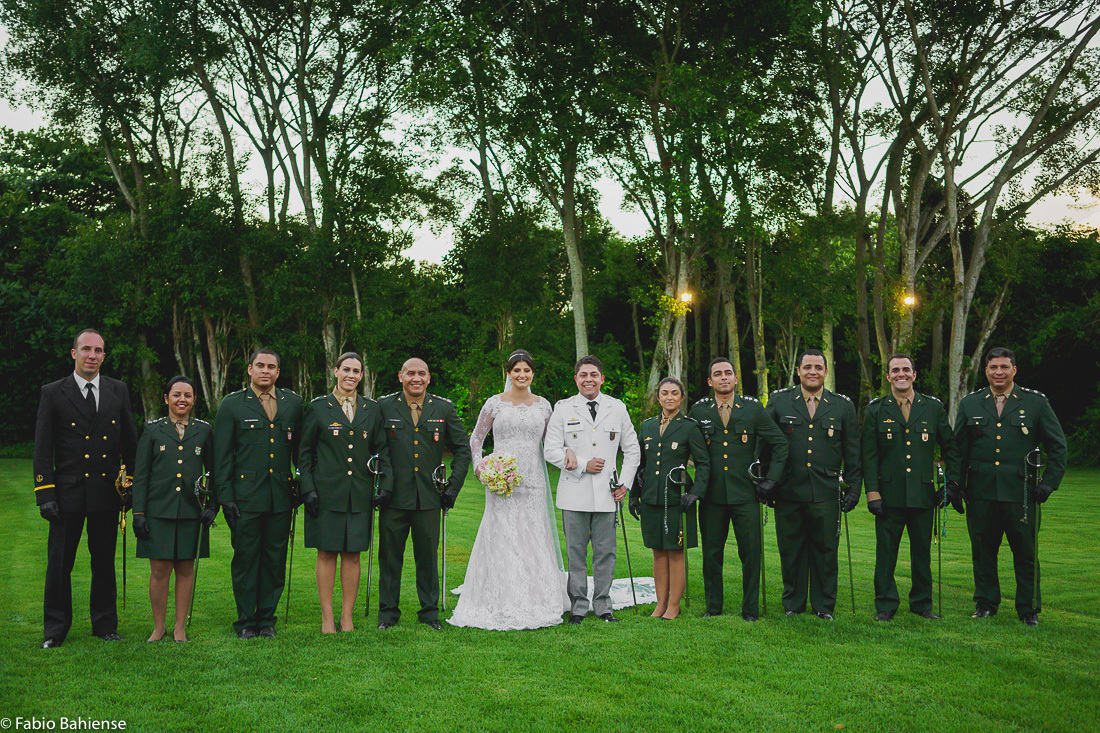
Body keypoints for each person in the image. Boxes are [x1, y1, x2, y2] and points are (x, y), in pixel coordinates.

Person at [449, 350, 569, 630]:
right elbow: (476, 439)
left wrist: (570, 452)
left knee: (533, 535)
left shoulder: (543, 406)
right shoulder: (495, 404)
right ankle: (500, 596)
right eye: (517, 370)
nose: (522, 375)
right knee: (502, 535)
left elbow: (553, 442)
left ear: (533, 374)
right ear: (508, 374)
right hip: (501, 482)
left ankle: (537, 597)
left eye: (526, 370)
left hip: (534, 482)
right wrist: (481, 469)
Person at [33, 328, 138, 648]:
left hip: (106, 492)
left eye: (99, 350)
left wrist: (130, 484)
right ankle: (55, 629)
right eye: (87, 349)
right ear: (74, 353)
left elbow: (130, 442)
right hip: (66, 493)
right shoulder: (53, 392)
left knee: (104, 562)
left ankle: (105, 625)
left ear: (104, 356)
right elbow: (42, 447)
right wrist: (44, 493)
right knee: (59, 565)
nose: (93, 355)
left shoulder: (118, 390)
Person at [954, 347, 1067, 626]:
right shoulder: (970, 403)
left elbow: (1058, 446)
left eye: (1004, 367)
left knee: (1026, 553)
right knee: (983, 552)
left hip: (1022, 493)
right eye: (993, 367)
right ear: (986, 371)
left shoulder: (1035, 403)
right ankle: (985, 604)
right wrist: (956, 485)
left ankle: (1028, 609)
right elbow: (959, 450)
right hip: (981, 493)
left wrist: (1049, 483)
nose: (999, 372)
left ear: (1014, 370)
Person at [763, 348, 861, 620]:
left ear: (826, 372)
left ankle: (823, 605)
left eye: (818, 367)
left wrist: (854, 487)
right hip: (788, 489)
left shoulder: (842, 406)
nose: (813, 372)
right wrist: (766, 480)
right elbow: (766, 444)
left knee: (826, 551)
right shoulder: (780, 401)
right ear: (798, 371)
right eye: (807, 367)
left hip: (825, 490)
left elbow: (853, 451)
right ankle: (793, 604)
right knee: (791, 550)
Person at [861, 354, 960, 622]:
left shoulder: (932, 408)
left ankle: (922, 603)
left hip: (923, 493)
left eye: (906, 369)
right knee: (886, 553)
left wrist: (950, 484)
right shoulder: (876, 409)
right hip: (888, 495)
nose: (901, 374)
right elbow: (868, 455)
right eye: (895, 370)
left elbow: (951, 447)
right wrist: (872, 493)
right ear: (888, 376)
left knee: (921, 553)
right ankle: (885, 604)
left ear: (914, 375)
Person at [213, 348, 303, 639]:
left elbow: (301, 451)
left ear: (278, 372)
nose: (266, 371)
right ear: (250, 369)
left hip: (280, 497)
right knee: (246, 561)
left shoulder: (293, 403)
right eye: (260, 365)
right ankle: (245, 622)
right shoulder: (232, 405)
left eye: (271, 366)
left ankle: (266, 620)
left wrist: (303, 484)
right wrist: (225, 497)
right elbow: (222, 456)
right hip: (245, 497)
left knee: (274, 561)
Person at [689, 358, 788, 621]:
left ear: (735, 379)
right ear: (710, 381)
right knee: (712, 554)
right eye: (717, 374)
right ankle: (713, 607)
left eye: (728, 373)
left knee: (751, 554)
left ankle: (750, 610)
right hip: (712, 495)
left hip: (746, 494)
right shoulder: (699, 410)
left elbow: (780, 443)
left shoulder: (753, 409)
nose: (723, 377)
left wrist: (771, 479)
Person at [299, 352, 392, 633]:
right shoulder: (318, 407)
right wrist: (307, 488)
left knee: (352, 555)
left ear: (361, 376)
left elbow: (381, 450)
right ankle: (327, 617)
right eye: (346, 369)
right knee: (327, 553)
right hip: (326, 493)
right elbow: (304, 452)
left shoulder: (371, 409)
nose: (351, 375)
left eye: (356, 371)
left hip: (359, 493)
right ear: (336, 371)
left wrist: (385, 484)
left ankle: (347, 617)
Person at [545, 355, 641, 624]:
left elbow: (632, 449)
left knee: (605, 552)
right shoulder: (563, 409)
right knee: (575, 552)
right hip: (573, 493)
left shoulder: (617, 408)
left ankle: (603, 604)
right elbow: (550, 450)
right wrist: (582, 464)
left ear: (602, 378)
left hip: (608, 493)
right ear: (576, 379)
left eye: (593, 375)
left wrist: (625, 483)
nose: (589, 379)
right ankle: (578, 606)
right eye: (583, 375)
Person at [377, 358, 471, 630]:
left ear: (429, 377)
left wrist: (453, 485)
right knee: (390, 558)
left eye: (421, 373)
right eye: (410, 373)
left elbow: (462, 449)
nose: (416, 378)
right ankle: (388, 615)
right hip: (393, 496)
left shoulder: (443, 408)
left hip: (429, 496)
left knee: (428, 558)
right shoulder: (384, 406)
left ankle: (429, 613)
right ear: (400, 376)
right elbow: (375, 446)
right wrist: (380, 483)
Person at [131, 376, 217, 642]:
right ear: (166, 398)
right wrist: (138, 513)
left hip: (191, 511)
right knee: (159, 569)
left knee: (185, 568)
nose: (182, 400)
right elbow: (141, 474)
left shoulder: (204, 431)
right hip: (158, 510)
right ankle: (159, 626)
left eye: (188, 395)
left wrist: (213, 505)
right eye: (177, 394)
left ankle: (180, 627)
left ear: (194, 400)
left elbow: (214, 471)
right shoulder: (152, 430)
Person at [629, 377, 710, 620]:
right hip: (651, 498)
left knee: (675, 551)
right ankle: (660, 603)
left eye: (675, 393)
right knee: (657, 551)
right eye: (664, 393)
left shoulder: (690, 427)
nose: (669, 397)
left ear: (682, 397)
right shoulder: (647, 427)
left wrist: (696, 492)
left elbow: (704, 463)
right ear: (658, 397)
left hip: (677, 498)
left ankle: (674, 605)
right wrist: (634, 495)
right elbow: (639, 464)